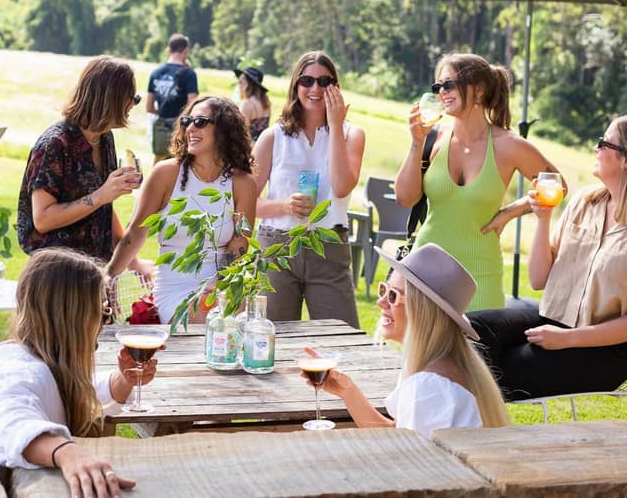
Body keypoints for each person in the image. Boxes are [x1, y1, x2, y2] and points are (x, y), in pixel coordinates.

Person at [0, 247, 159, 497]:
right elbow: (11, 422)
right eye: (103, 313)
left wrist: (123, 381)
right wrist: (68, 452)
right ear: (74, 320)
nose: (104, 323)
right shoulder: (19, 375)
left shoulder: (40, 365)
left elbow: (83, 389)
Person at [469, 116, 627, 401]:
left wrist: (568, 339)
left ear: (624, 159)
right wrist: (543, 219)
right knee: (472, 329)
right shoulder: (585, 203)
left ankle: (470, 428)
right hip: (555, 316)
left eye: (603, 143)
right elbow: (539, 279)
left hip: (605, 349)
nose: (596, 148)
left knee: (501, 367)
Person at [394, 52, 564, 311]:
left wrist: (510, 212)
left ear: (479, 90)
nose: (442, 92)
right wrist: (416, 143)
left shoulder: (509, 146)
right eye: (438, 86)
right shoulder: (432, 139)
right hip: (424, 273)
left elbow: (557, 185)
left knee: (478, 352)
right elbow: (404, 198)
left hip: (480, 279)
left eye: (449, 84)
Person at [302, 244, 510, 438]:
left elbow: (410, 460)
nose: (381, 302)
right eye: (384, 289)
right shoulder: (443, 366)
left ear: (423, 311)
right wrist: (347, 391)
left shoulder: (429, 386)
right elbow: (398, 434)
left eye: (393, 295)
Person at [108, 96, 257, 324]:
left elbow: (239, 244)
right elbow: (136, 232)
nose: (190, 128)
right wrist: (109, 275)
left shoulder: (243, 183)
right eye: (187, 121)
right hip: (174, 286)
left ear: (224, 128)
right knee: (205, 317)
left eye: (200, 122)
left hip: (220, 282)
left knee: (243, 317)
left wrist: (219, 282)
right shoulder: (166, 174)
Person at [253, 51, 364, 327]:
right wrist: (283, 206)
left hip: (328, 246)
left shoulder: (352, 134)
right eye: (307, 80)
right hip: (278, 247)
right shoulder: (273, 137)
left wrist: (335, 125)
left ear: (335, 88)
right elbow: (244, 203)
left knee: (340, 340)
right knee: (271, 340)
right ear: (296, 86)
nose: (316, 88)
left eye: (325, 81)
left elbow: (341, 187)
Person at [16, 56, 143, 266]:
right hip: (56, 273)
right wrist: (102, 194)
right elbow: (43, 219)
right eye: (132, 97)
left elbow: (103, 209)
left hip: (91, 271)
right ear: (111, 98)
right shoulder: (55, 144)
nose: (133, 104)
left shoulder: (104, 138)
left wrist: (133, 261)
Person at [146, 34, 198, 164]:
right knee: (180, 163)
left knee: (159, 161)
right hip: (180, 126)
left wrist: (162, 112)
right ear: (186, 51)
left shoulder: (155, 73)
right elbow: (193, 106)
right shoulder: (189, 74)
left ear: (169, 50)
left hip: (160, 124)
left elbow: (149, 107)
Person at [234, 66, 271, 142]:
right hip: (264, 144)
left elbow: (242, 133)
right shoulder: (265, 101)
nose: (238, 86)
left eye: (241, 83)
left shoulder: (247, 104)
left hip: (251, 147)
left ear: (250, 85)